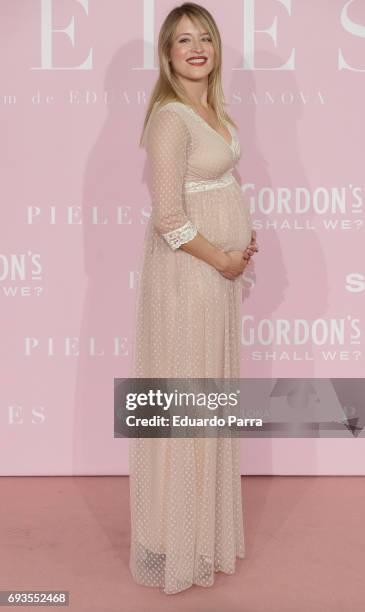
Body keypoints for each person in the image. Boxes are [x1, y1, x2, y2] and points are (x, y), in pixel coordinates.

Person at [129, 2, 258, 595]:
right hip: (187, 280)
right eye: (184, 40)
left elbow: (216, 187)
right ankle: (172, 539)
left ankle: (202, 535)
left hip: (216, 280)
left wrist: (241, 243)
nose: (197, 47)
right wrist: (223, 256)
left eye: (205, 37)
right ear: (168, 53)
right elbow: (170, 218)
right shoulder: (170, 119)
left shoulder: (213, 109)